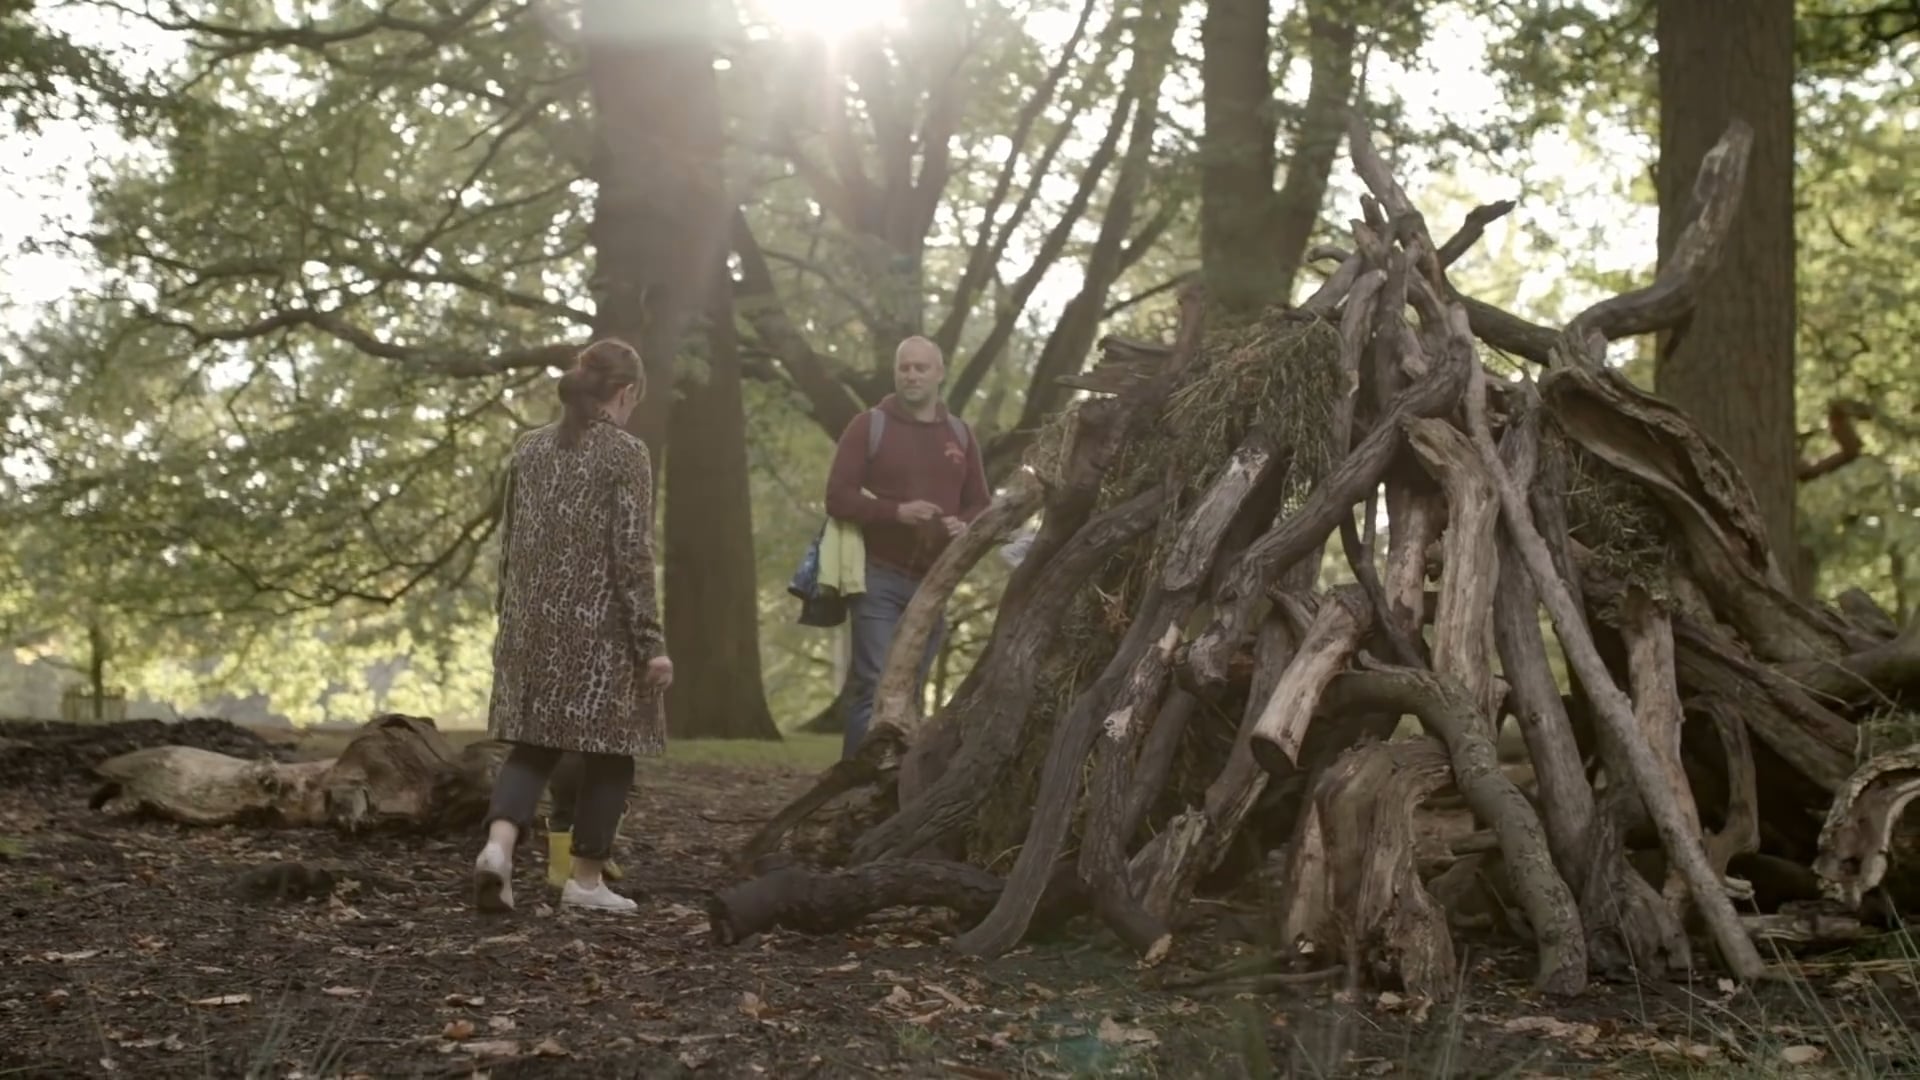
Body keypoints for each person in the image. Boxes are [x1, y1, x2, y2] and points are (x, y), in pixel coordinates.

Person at [471, 338, 672, 915]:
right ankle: (585, 882)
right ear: (626, 392)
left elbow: (511, 546)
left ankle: (498, 849)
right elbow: (632, 554)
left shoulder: (529, 449)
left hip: (530, 628)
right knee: (613, 752)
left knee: (532, 749)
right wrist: (651, 645)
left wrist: (507, 627)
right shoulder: (625, 454)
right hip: (598, 636)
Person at [824, 335, 989, 759]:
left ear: (940, 373)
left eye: (921, 368)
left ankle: (891, 793)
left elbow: (980, 503)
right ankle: (851, 788)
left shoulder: (959, 434)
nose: (911, 375)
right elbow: (837, 496)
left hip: (935, 583)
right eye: (904, 368)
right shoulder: (869, 426)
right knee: (877, 684)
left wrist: (962, 523)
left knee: (908, 688)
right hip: (878, 575)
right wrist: (895, 512)